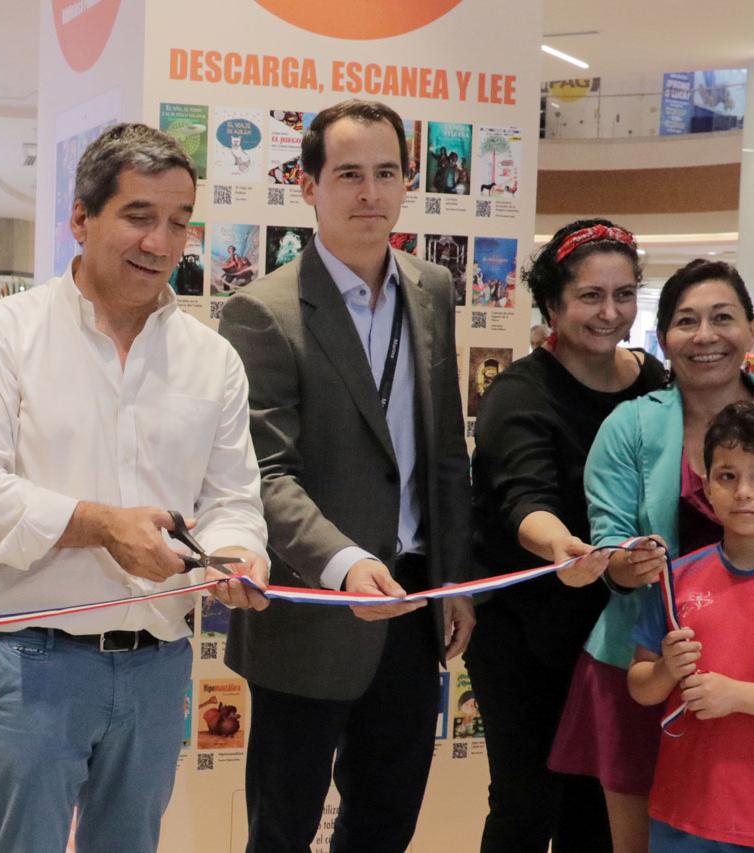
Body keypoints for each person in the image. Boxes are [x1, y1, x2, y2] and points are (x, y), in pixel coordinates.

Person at [0, 123, 270, 853]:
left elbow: (232, 500)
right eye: (138, 216)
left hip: (159, 662)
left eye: (179, 222)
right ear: (81, 219)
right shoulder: (4, 333)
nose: (160, 242)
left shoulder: (211, 359)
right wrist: (101, 524)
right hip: (32, 661)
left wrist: (236, 554)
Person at [218, 99, 475, 853]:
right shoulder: (263, 310)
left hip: (412, 601)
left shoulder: (431, 288)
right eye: (349, 174)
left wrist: (454, 579)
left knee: (385, 823)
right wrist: (344, 562)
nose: (370, 193)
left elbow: (444, 449)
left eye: (387, 173)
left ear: (406, 183)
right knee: (282, 829)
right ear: (308, 185)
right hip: (310, 608)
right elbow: (266, 472)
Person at [550, 259, 754, 852]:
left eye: (722, 318)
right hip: (645, 665)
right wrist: (625, 564)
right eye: (686, 321)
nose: (705, 336)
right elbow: (610, 539)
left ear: (751, 328)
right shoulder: (629, 426)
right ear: (663, 336)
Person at [465, 219, 667, 853]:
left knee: (599, 803)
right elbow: (521, 498)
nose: (610, 313)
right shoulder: (519, 392)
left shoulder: (656, 383)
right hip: (524, 629)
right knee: (527, 801)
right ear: (552, 303)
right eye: (590, 296)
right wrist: (561, 547)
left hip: (618, 625)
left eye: (624, 294)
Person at [629, 399, 754, 852]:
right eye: (727, 476)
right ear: (706, 485)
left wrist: (737, 696)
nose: (744, 492)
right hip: (685, 817)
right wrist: (666, 670)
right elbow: (641, 686)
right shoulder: (676, 578)